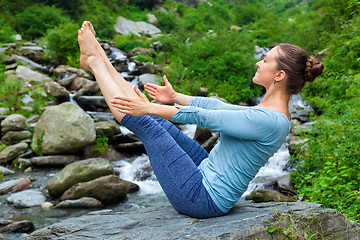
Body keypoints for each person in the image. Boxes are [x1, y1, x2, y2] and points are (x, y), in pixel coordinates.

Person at [78, 21, 324, 218]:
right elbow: (217, 106)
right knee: (158, 122)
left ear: (279, 75)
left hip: (202, 199)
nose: (259, 62)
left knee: (145, 120)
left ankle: (96, 64)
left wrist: (150, 107)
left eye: (266, 60)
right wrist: (175, 97)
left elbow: (207, 117)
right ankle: (98, 55)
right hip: (206, 172)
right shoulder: (269, 112)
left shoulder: (271, 120)